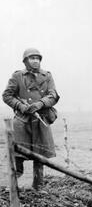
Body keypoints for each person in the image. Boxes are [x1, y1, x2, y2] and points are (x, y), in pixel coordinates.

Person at [2, 48, 59, 191]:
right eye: (32, 58)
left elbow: (53, 95)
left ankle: (38, 186)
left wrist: (40, 103)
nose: (35, 61)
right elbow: (7, 95)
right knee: (18, 154)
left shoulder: (47, 76)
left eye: (37, 58)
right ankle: (13, 185)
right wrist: (21, 106)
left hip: (41, 120)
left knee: (40, 156)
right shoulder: (18, 76)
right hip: (22, 120)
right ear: (25, 61)